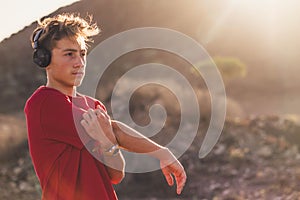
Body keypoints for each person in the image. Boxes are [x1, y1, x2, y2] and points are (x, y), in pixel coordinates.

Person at [24, 13, 186, 200]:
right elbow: (114, 130)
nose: (80, 63)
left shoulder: (92, 104)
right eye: (69, 54)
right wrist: (161, 153)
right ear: (44, 59)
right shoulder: (43, 103)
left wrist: (107, 142)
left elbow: (116, 174)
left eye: (82, 54)